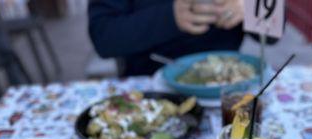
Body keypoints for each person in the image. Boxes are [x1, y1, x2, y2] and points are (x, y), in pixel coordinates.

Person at [88, 0, 246, 76]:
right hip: (149, 85)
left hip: (231, 80)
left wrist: (249, 7)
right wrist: (170, 17)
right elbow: (103, 37)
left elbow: (269, 35)